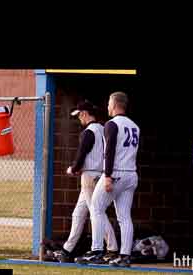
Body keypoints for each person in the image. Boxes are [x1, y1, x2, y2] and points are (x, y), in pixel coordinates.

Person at [51, 100, 115, 263]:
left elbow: (81, 155)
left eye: (80, 115)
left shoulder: (88, 131)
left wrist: (73, 168)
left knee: (97, 212)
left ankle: (112, 248)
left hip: (90, 177)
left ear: (85, 114)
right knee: (78, 213)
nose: (79, 118)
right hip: (98, 174)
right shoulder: (103, 128)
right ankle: (67, 249)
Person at [85, 91, 140, 267]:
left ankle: (97, 251)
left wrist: (107, 176)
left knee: (96, 207)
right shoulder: (135, 126)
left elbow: (109, 152)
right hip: (131, 173)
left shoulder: (111, 124)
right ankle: (125, 255)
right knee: (124, 216)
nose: (107, 106)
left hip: (115, 172)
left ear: (115, 104)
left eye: (109, 102)